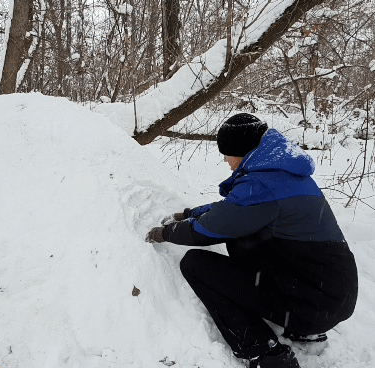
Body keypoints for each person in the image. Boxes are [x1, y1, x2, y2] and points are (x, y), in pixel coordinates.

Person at [145, 113, 358, 368]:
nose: (225, 160)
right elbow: (234, 209)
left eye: (226, 153)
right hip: (330, 295)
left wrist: (166, 233)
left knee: (195, 264)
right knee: (244, 238)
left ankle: (265, 353)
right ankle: (301, 328)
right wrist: (191, 213)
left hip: (313, 302)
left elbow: (209, 229)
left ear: (241, 151)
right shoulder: (283, 173)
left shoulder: (261, 186)